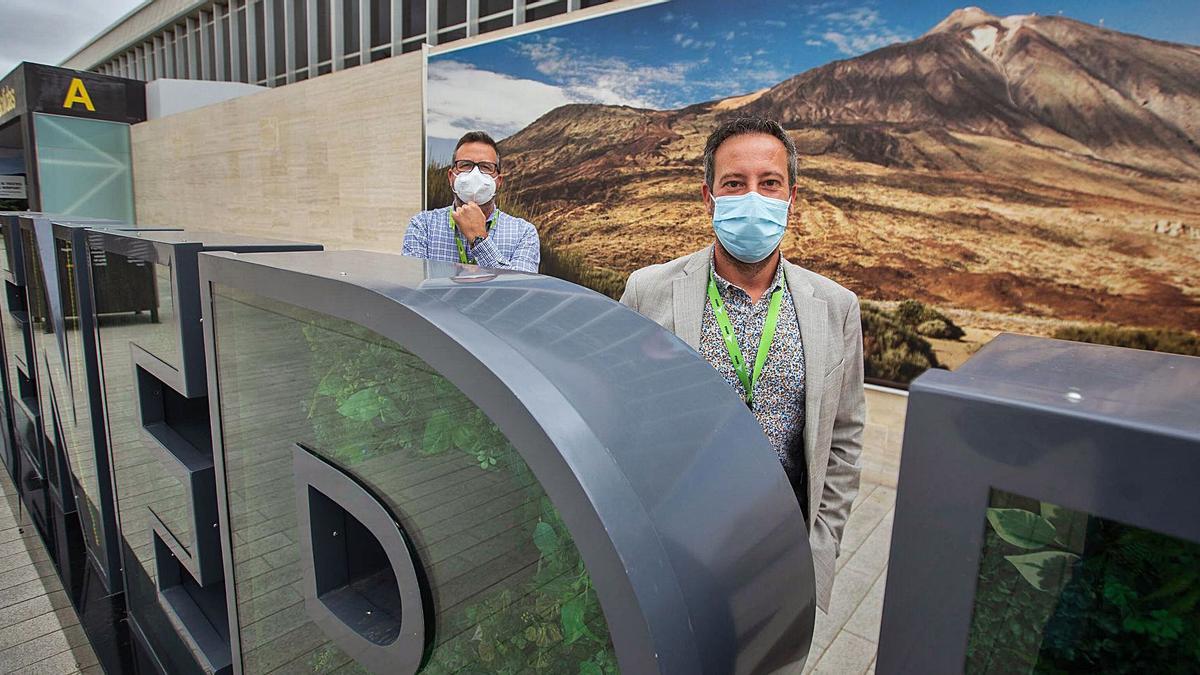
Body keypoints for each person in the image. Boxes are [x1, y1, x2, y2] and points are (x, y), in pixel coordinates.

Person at [620, 117, 864, 612]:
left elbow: (844, 435)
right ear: (708, 198)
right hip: (676, 547)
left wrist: (823, 540)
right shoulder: (648, 292)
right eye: (734, 183)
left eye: (769, 183)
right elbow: (617, 417)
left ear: (791, 197)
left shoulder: (836, 307)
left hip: (783, 551)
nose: (753, 197)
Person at [403, 131, 540, 272]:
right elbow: (412, 287)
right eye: (465, 165)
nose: (475, 174)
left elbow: (519, 289)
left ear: (499, 181)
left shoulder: (524, 233)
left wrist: (479, 239)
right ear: (451, 177)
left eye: (486, 167)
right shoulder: (423, 225)